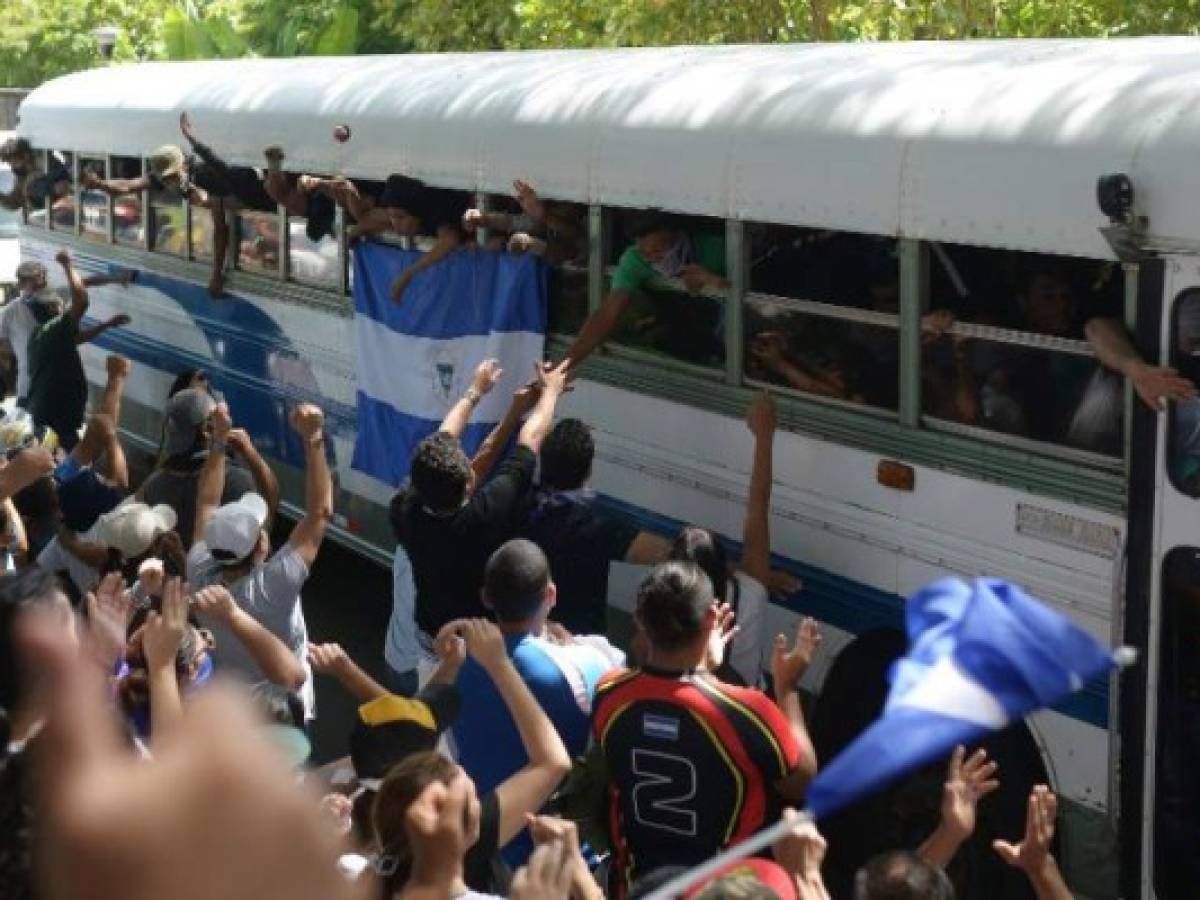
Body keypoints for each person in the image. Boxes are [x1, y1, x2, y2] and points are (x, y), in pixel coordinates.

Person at [14, 606, 367, 900]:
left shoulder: (116, 701)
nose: (209, 644)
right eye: (202, 650)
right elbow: (293, 675)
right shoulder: (164, 755)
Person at [593, 562, 819, 895]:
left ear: (640, 620)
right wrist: (787, 689)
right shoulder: (747, 710)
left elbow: (667, 700)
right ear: (711, 619)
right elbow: (803, 782)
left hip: (635, 888)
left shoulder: (609, 694)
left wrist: (702, 671)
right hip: (718, 892)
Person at [389, 358, 569, 670]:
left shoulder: (405, 511)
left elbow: (443, 439)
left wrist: (476, 391)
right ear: (470, 481)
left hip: (423, 645)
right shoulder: (483, 517)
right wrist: (551, 391)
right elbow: (531, 441)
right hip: (471, 657)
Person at [372, 617, 572, 898]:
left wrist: (450, 663)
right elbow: (553, 762)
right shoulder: (472, 852)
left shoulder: (363, 873)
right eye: (473, 793)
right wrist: (499, 664)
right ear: (463, 833)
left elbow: (417, 729)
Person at [450, 539, 623, 862]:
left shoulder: (453, 670)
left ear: (486, 598)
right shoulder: (585, 665)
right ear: (552, 595)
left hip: (487, 846)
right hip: (561, 857)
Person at [187, 402, 332, 718]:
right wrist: (314, 437)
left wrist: (218, 442)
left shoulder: (198, 568)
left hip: (237, 703)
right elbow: (320, 512)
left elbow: (207, 501)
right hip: (284, 701)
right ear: (262, 546)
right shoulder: (276, 584)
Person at [669, 390, 796, 686]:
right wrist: (765, 436)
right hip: (740, 705)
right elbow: (758, 508)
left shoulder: (663, 606)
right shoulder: (749, 590)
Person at [519, 417, 672, 636]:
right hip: (578, 641)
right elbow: (654, 551)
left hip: (527, 630)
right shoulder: (596, 524)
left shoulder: (523, 505)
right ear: (588, 470)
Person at [559, 212, 728, 370]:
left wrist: (714, 283)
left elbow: (744, 291)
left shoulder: (717, 248)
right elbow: (607, 314)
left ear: (679, 237)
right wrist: (565, 366)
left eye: (659, 251)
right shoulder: (635, 260)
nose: (653, 258)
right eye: (646, 253)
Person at [138, 387, 276, 549]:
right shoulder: (236, 481)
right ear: (207, 430)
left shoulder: (155, 486)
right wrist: (250, 452)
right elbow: (269, 501)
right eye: (216, 418)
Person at [1, 259, 133, 407]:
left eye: (43, 278)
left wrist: (107, 323)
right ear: (22, 284)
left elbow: (76, 339)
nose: (42, 283)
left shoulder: (56, 298)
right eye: (35, 280)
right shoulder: (10, 313)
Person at [25, 250, 92, 450]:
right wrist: (67, 265)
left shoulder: (41, 333)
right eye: (59, 303)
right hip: (58, 417)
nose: (64, 304)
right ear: (53, 311)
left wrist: (107, 326)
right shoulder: (56, 328)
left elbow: (76, 339)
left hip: (46, 414)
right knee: (72, 465)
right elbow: (82, 300)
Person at [461, 180, 584, 265]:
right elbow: (516, 222)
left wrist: (544, 219)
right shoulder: (539, 207)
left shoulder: (575, 202)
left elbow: (578, 243)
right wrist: (484, 219)